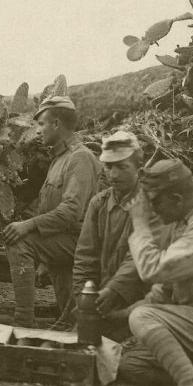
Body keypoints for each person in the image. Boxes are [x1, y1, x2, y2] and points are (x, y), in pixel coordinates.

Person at [117, 159, 193, 386]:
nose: (153, 211)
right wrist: (119, 317)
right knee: (132, 365)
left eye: (155, 203)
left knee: (143, 317)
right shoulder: (182, 224)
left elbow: (154, 270)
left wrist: (140, 223)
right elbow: (165, 290)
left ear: (177, 199)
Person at [3, 96, 102, 327]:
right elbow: (49, 207)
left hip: (81, 242)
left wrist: (28, 225)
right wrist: (47, 258)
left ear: (56, 124)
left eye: (41, 124)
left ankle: (24, 322)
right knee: (70, 319)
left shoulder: (80, 158)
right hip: (65, 241)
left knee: (19, 241)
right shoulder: (59, 159)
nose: (38, 131)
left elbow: (71, 212)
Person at [70, 131, 150, 341]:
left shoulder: (152, 204)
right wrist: (83, 297)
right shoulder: (99, 204)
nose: (113, 175)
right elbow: (85, 257)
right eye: (108, 166)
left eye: (122, 167)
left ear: (139, 170)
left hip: (140, 301)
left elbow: (138, 257)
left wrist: (114, 290)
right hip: (103, 299)